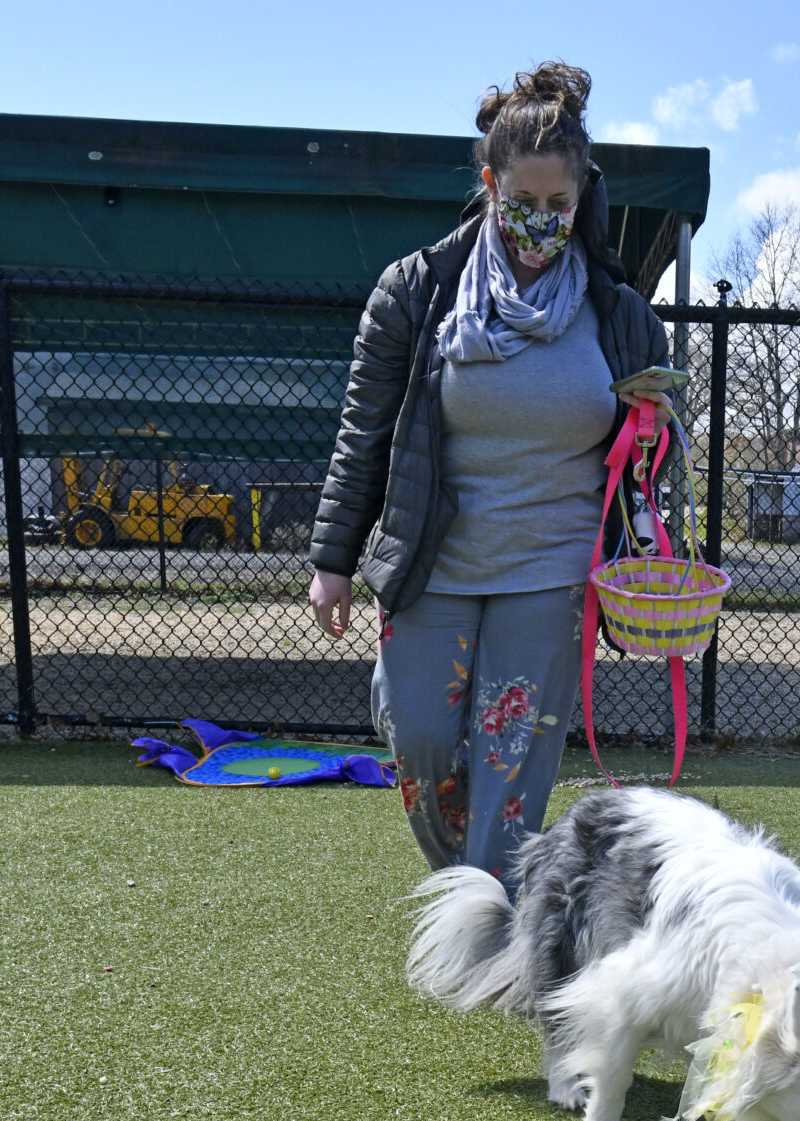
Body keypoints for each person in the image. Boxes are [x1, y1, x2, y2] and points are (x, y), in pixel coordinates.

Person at [306, 62, 672, 877]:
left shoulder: (621, 319)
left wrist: (654, 449)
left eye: (558, 207)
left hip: (551, 572)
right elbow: (364, 432)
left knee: (511, 771)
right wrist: (333, 561)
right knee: (425, 744)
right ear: (488, 184)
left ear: (582, 200)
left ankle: (493, 919)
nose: (541, 223)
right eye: (523, 204)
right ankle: (464, 879)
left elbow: (649, 458)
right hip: (436, 560)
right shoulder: (417, 293)